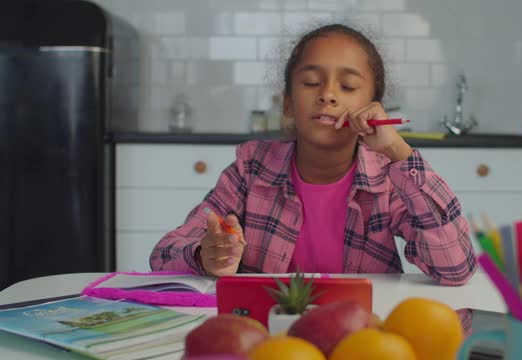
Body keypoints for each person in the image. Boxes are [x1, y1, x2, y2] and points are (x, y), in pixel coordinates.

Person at [150, 23, 476, 332]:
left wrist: (399, 152)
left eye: (347, 86)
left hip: (361, 339)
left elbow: (456, 267)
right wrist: (205, 255)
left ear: (374, 108)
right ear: (289, 103)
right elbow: (164, 254)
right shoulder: (250, 170)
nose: (328, 95)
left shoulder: (387, 179)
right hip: (268, 340)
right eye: (310, 83)